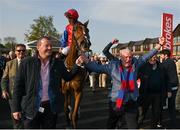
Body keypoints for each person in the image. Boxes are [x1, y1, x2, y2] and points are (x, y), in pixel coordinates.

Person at [76, 37, 164, 129]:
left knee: (133, 126)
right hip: (116, 101)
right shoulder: (113, 66)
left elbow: (148, 55)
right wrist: (85, 61)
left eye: (130, 57)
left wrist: (159, 45)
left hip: (131, 101)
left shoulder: (136, 64)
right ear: (120, 57)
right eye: (125, 57)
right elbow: (97, 68)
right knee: (112, 124)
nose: (128, 59)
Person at [12, 36, 79, 128]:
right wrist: (16, 109)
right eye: (47, 45)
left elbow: (68, 77)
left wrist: (77, 64)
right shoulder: (27, 62)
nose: (50, 48)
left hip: (50, 107)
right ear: (38, 47)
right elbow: (17, 87)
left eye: (51, 46)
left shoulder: (57, 63)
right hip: (31, 106)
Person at [1, 44, 26, 128]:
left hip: (26, 95)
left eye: (23, 50)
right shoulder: (9, 64)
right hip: (13, 96)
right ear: (15, 52)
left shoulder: (30, 63)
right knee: (16, 119)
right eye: (19, 50)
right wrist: (4, 90)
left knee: (26, 118)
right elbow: (4, 79)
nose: (21, 52)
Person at [137, 55, 166, 128]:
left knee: (156, 112)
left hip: (158, 94)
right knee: (142, 111)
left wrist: (168, 90)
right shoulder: (143, 67)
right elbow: (136, 77)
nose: (153, 59)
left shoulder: (161, 67)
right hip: (146, 93)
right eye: (151, 57)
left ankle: (153, 127)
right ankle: (137, 125)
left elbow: (166, 79)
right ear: (148, 58)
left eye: (155, 57)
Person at [160, 49, 179, 128]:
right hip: (175, 85)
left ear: (165, 55)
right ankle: (173, 123)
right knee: (172, 105)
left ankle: (163, 123)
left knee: (162, 105)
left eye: (161, 55)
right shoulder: (172, 62)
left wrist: (168, 89)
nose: (160, 56)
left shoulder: (165, 63)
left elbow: (164, 76)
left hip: (169, 87)